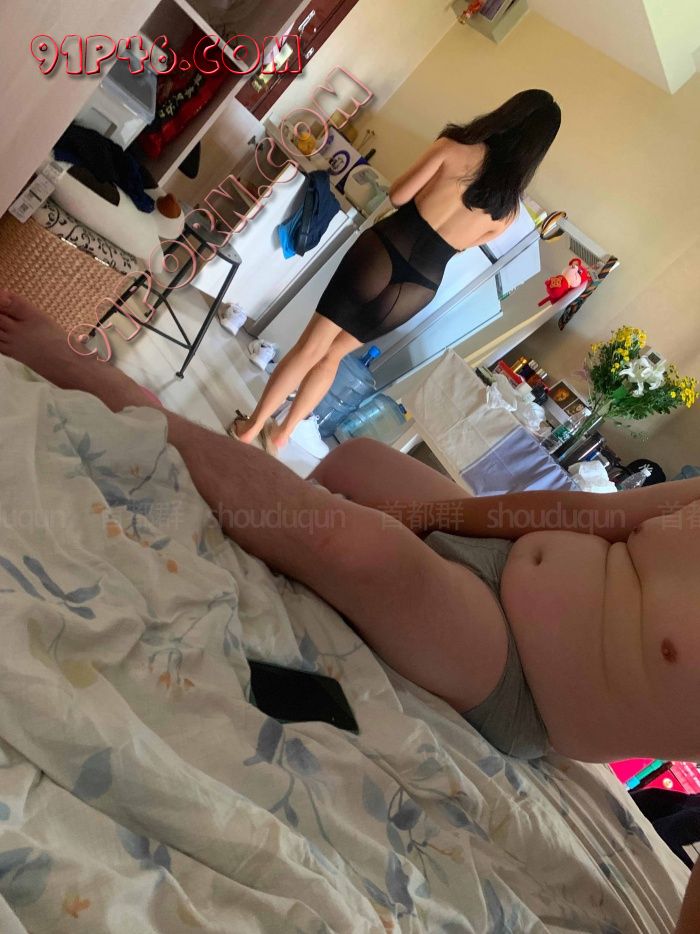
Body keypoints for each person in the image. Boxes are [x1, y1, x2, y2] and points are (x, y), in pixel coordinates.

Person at [1, 291, 698, 927]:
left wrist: (389, 535)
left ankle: (108, 388)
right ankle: (270, 507)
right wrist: (433, 519)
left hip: (516, 671)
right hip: (502, 552)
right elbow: (584, 515)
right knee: (357, 462)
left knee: (348, 543)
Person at [230, 89, 562, 453]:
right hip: (418, 286)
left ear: (507, 114)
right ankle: (282, 434)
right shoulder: (508, 213)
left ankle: (252, 427)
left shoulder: (455, 147)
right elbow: (463, 246)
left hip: (382, 252)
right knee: (333, 355)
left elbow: (399, 196)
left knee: (312, 346)